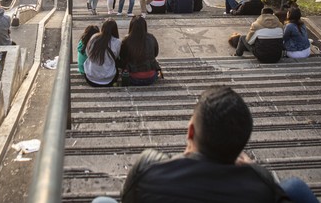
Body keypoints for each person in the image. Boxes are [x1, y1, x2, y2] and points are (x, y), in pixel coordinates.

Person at [121, 86, 291, 203]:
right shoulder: (263, 188)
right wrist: (256, 171)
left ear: (191, 132)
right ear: (241, 146)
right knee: (294, 186)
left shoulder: (147, 169)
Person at [119, 16, 160, 86]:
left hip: (132, 77)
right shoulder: (151, 38)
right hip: (151, 77)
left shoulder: (126, 40)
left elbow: (122, 57)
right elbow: (155, 54)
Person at [83, 19, 121, 87]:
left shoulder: (94, 37)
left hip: (90, 78)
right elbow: (116, 57)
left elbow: (87, 53)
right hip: (109, 80)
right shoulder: (117, 42)